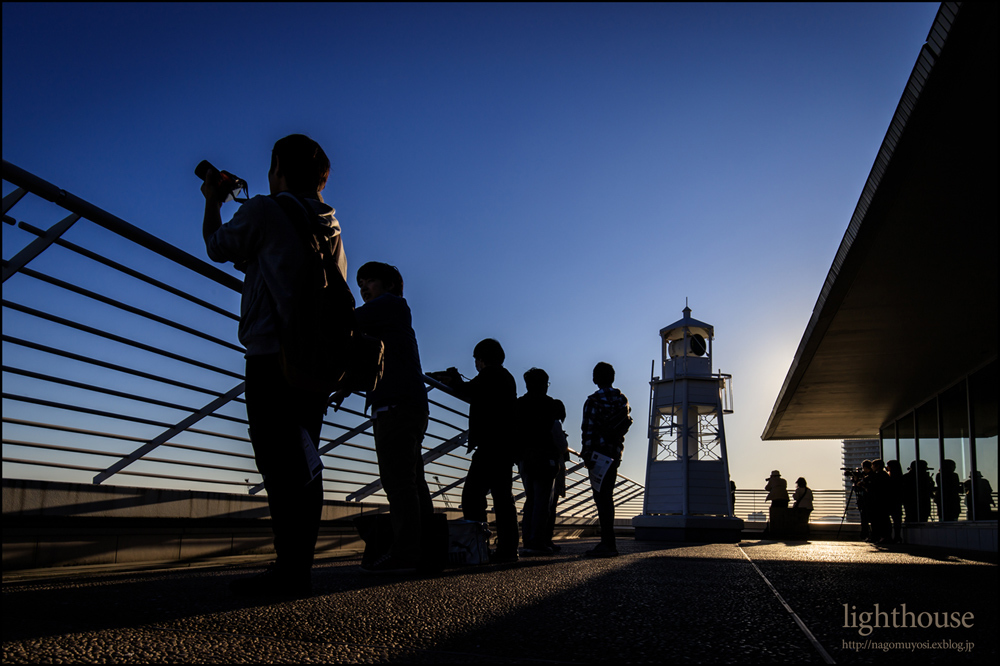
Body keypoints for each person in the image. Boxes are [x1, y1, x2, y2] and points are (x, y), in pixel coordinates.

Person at [202, 134, 339, 597]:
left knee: (277, 461)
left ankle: (290, 568)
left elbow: (217, 246)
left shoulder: (264, 209)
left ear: (278, 167)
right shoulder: (330, 226)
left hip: (271, 355)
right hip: (316, 361)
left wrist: (212, 201)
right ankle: (297, 564)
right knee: (305, 459)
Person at [351, 262, 434, 573]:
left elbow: (345, 320)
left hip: (395, 408)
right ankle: (423, 550)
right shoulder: (391, 315)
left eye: (369, 281)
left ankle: (405, 554)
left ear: (390, 285)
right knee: (413, 482)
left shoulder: (390, 305)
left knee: (398, 484)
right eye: (360, 282)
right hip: (409, 405)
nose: (363, 288)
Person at [435, 339, 519, 562]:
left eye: (475, 359)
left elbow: (469, 390)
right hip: (504, 445)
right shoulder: (505, 377)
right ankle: (508, 549)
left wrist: (452, 378)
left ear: (481, 359)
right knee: (502, 497)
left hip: (492, 445)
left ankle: (478, 546)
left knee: (472, 496)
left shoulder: (491, 374)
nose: (475, 364)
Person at [581, 361, 632, 557]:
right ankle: (609, 542)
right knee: (608, 497)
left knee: (600, 498)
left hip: (597, 455)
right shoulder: (622, 400)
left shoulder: (593, 401)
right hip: (614, 454)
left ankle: (607, 543)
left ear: (596, 378)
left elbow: (588, 430)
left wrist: (586, 454)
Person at [516, 368, 567, 555]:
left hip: (526, 458)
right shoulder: (551, 405)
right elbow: (557, 435)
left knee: (531, 499)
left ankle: (529, 539)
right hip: (546, 459)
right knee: (543, 501)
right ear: (545, 384)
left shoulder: (519, 404)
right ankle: (538, 541)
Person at [885, 459, 904, 543]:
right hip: (897, 501)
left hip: (891, 500)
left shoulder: (891, 478)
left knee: (888, 519)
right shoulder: (900, 477)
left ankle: (890, 536)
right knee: (897, 520)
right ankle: (897, 537)